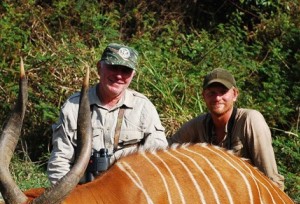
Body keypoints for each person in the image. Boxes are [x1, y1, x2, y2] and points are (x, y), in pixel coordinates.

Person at [48, 43, 168, 184]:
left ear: (133, 75)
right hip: (84, 191)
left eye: (126, 71)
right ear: (100, 68)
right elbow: (60, 161)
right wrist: (66, 199)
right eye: (113, 67)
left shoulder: (143, 107)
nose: (118, 75)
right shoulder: (74, 106)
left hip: (130, 189)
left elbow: (159, 157)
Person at [169, 68, 284, 190]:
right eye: (211, 93)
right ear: (204, 96)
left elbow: (270, 179)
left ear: (235, 94)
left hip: (250, 197)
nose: (217, 98)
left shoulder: (250, 120)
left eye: (223, 92)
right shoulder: (198, 124)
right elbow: (166, 147)